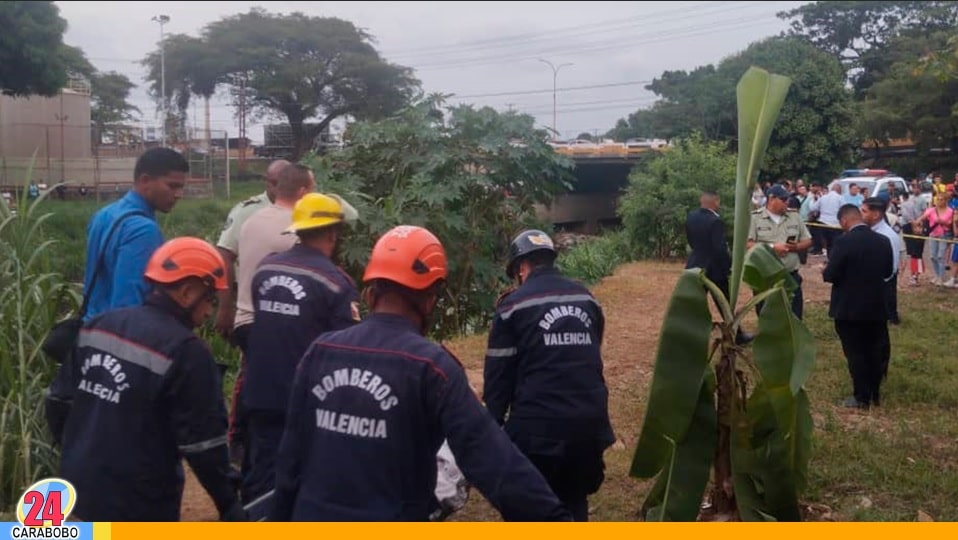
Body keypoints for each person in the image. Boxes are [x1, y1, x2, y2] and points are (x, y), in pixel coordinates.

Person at [270, 225, 572, 522]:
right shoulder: (432, 367)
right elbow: (493, 462)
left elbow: (289, 460)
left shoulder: (319, 352)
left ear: (371, 291)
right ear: (430, 299)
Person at [55, 237, 245, 521]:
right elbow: (204, 445)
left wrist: (77, 451)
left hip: (75, 489)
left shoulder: (100, 325)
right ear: (186, 292)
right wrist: (228, 504)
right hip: (137, 503)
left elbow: (57, 401)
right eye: (210, 300)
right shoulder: (187, 352)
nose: (209, 312)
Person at [482, 229, 614, 521]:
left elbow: (498, 380)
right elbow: (591, 354)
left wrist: (490, 433)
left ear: (521, 268)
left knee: (529, 507)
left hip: (538, 433)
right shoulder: (586, 298)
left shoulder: (512, 307)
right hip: (589, 427)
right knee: (573, 500)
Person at [241, 193, 360, 504]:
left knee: (261, 479)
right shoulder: (336, 283)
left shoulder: (265, 269)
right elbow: (345, 351)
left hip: (259, 393)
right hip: (305, 402)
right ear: (333, 233)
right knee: (304, 480)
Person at [227, 162, 314, 466]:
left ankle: (240, 442)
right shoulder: (296, 228)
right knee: (281, 392)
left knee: (251, 378)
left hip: (245, 318)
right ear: (302, 191)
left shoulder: (251, 220)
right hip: (276, 322)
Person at [82, 147, 188, 321]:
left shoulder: (104, 214)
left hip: (91, 328)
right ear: (145, 180)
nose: (178, 195)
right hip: (117, 334)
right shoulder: (143, 230)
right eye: (172, 186)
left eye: (181, 187)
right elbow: (129, 303)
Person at [823, 205, 893, 409]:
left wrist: (825, 271)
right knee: (874, 350)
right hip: (876, 306)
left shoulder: (843, 242)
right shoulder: (883, 240)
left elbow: (831, 274)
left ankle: (861, 396)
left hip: (849, 307)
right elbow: (887, 271)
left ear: (844, 221)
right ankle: (875, 392)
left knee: (855, 352)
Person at [214, 159, 289, 340]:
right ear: (267, 182)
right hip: (250, 301)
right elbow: (224, 256)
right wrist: (225, 307)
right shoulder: (247, 211)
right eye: (275, 183)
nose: (280, 188)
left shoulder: (301, 210)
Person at [684, 190, 753, 344]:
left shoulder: (691, 217)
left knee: (695, 302)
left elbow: (691, 241)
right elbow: (719, 249)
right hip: (714, 269)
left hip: (695, 264)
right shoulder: (715, 221)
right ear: (716, 201)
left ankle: (691, 333)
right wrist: (728, 267)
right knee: (724, 303)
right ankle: (737, 335)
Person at [747, 184, 813, 319]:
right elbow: (748, 244)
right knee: (766, 312)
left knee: (794, 312)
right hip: (765, 276)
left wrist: (794, 247)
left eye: (787, 199)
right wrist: (772, 247)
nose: (787, 202)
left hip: (790, 275)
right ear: (771, 199)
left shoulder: (794, 216)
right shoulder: (755, 218)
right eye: (783, 199)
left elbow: (808, 240)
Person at [861, 197, 904, 326]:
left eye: (864, 211)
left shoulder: (887, 236)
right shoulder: (870, 231)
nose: (860, 214)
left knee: (887, 301)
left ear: (875, 215)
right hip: (875, 280)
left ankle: (891, 319)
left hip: (883, 279)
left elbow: (892, 265)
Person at [900, 181, 929, 286]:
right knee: (912, 252)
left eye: (916, 187)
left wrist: (919, 224)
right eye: (913, 187)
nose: (914, 189)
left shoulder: (922, 200)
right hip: (909, 227)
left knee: (917, 252)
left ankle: (916, 275)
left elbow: (924, 213)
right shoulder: (910, 200)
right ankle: (913, 274)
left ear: (920, 189)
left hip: (918, 226)